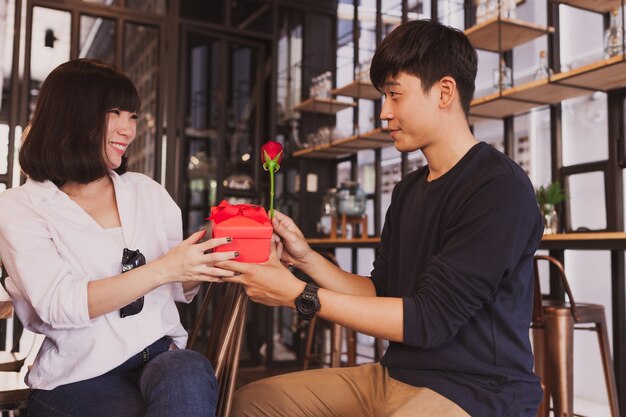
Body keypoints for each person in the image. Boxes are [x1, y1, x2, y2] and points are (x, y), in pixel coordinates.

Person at [218, 19, 543, 417]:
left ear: (444, 92)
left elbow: (429, 320)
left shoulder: (497, 188)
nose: (384, 113)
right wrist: (306, 261)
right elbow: (381, 293)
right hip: (394, 376)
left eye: (394, 95)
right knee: (252, 403)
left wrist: (296, 295)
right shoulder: (407, 190)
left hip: (478, 391)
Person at [0, 59, 238, 417]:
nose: (128, 130)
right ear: (72, 115)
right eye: (115, 113)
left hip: (160, 356)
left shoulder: (147, 192)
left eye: (133, 117)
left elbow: (179, 289)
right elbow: (60, 305)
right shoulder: (21, 207)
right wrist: (164, 268)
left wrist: (214, 248)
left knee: (188, 370)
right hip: (78, 377)